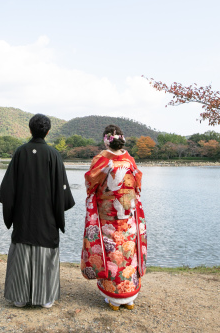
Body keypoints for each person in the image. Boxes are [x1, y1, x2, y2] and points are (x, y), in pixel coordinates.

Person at [0, 113, 75, 308]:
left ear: (30, 130)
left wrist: (12, 211)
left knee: (22, 250)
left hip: (23, 216)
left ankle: (20, 297)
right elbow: (62, 191)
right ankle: (45, 298)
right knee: (45, 253)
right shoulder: (53, 154)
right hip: (47, 218)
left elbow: (7, 188)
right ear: (47, 132)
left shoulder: (20, 152)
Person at [80, 124, 147, 311]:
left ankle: (114, 298)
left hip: (108, 216)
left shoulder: (101, 160)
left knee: (111, 252)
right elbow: (138, 185)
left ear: (106, 141)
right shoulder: (130, 160)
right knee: (128, 253)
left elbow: (90, 183)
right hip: (128, 216)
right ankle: (129, 297)